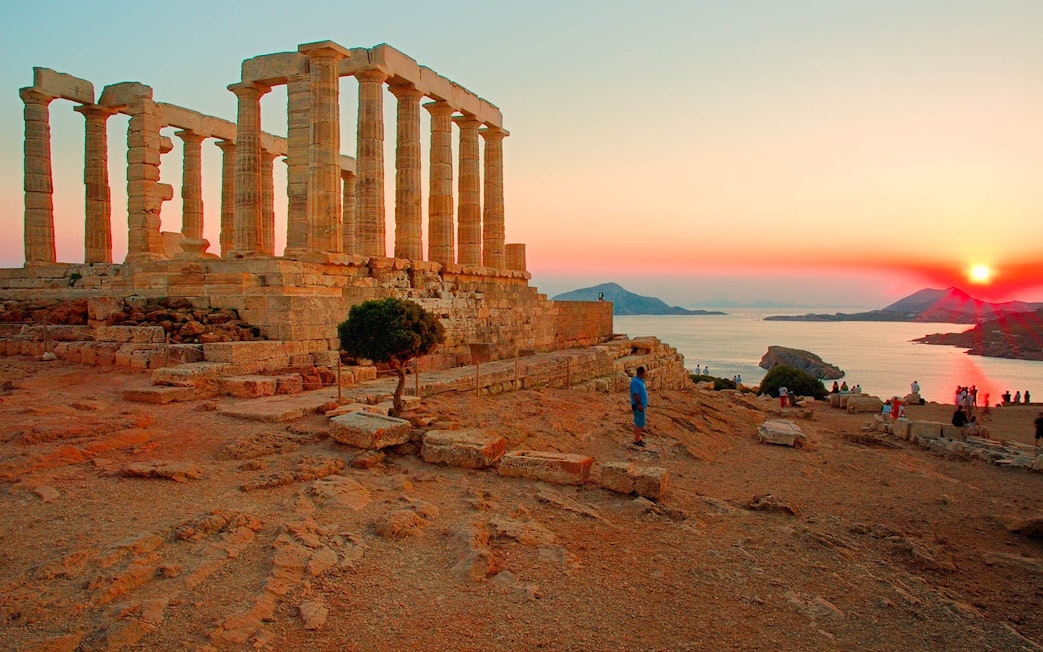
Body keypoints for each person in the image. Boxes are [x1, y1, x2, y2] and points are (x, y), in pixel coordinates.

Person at [630, 366, 649, 447]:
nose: (646, 373)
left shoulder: (640, 381)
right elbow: (635, 394)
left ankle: (638, 438)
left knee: (640, 422)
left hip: (641, 405)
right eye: (645, 372)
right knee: (639, 423)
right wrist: (639, 404)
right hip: (639, 406)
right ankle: (637, 440)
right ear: (641, 373)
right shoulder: (635, 382)